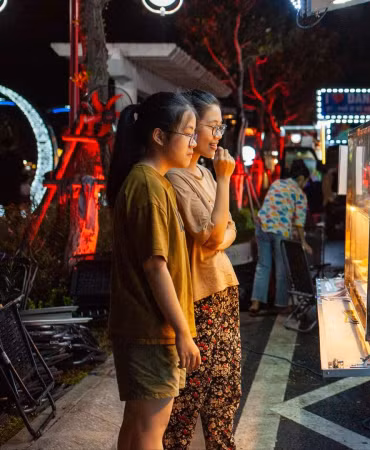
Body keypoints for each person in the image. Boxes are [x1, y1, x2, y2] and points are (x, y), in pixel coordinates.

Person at [106, 92, 201, 450]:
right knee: (150, 433)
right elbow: (155, 266)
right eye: (188, 133)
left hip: (144, 329)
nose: (194, 143)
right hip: (151, 331)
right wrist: (182, 331)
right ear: (159, 136)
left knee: (136, 429)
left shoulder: (153, 181)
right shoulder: (147, 185)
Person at [162, 90, 240, 449]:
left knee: (226, 388)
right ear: (190, 128)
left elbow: (230, 228)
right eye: (213, 126)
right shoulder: (177, 178)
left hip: (224, 289)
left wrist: (218, 231)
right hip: (200, 297)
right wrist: (225, 181)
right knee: (191, 394)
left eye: (221, 127)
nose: (218, 135)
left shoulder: (207, 174)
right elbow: (210, 236)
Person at [249, 159, 311, 315]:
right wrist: (304, 243)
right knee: (281, 268)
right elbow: (299, 223)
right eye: (306, 181)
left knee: (263, 266)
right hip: (280, 231)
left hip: (262, 226)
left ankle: (256, 303)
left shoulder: (277, 184)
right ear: (302, 178)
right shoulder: (300, 194)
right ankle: (281, 304)